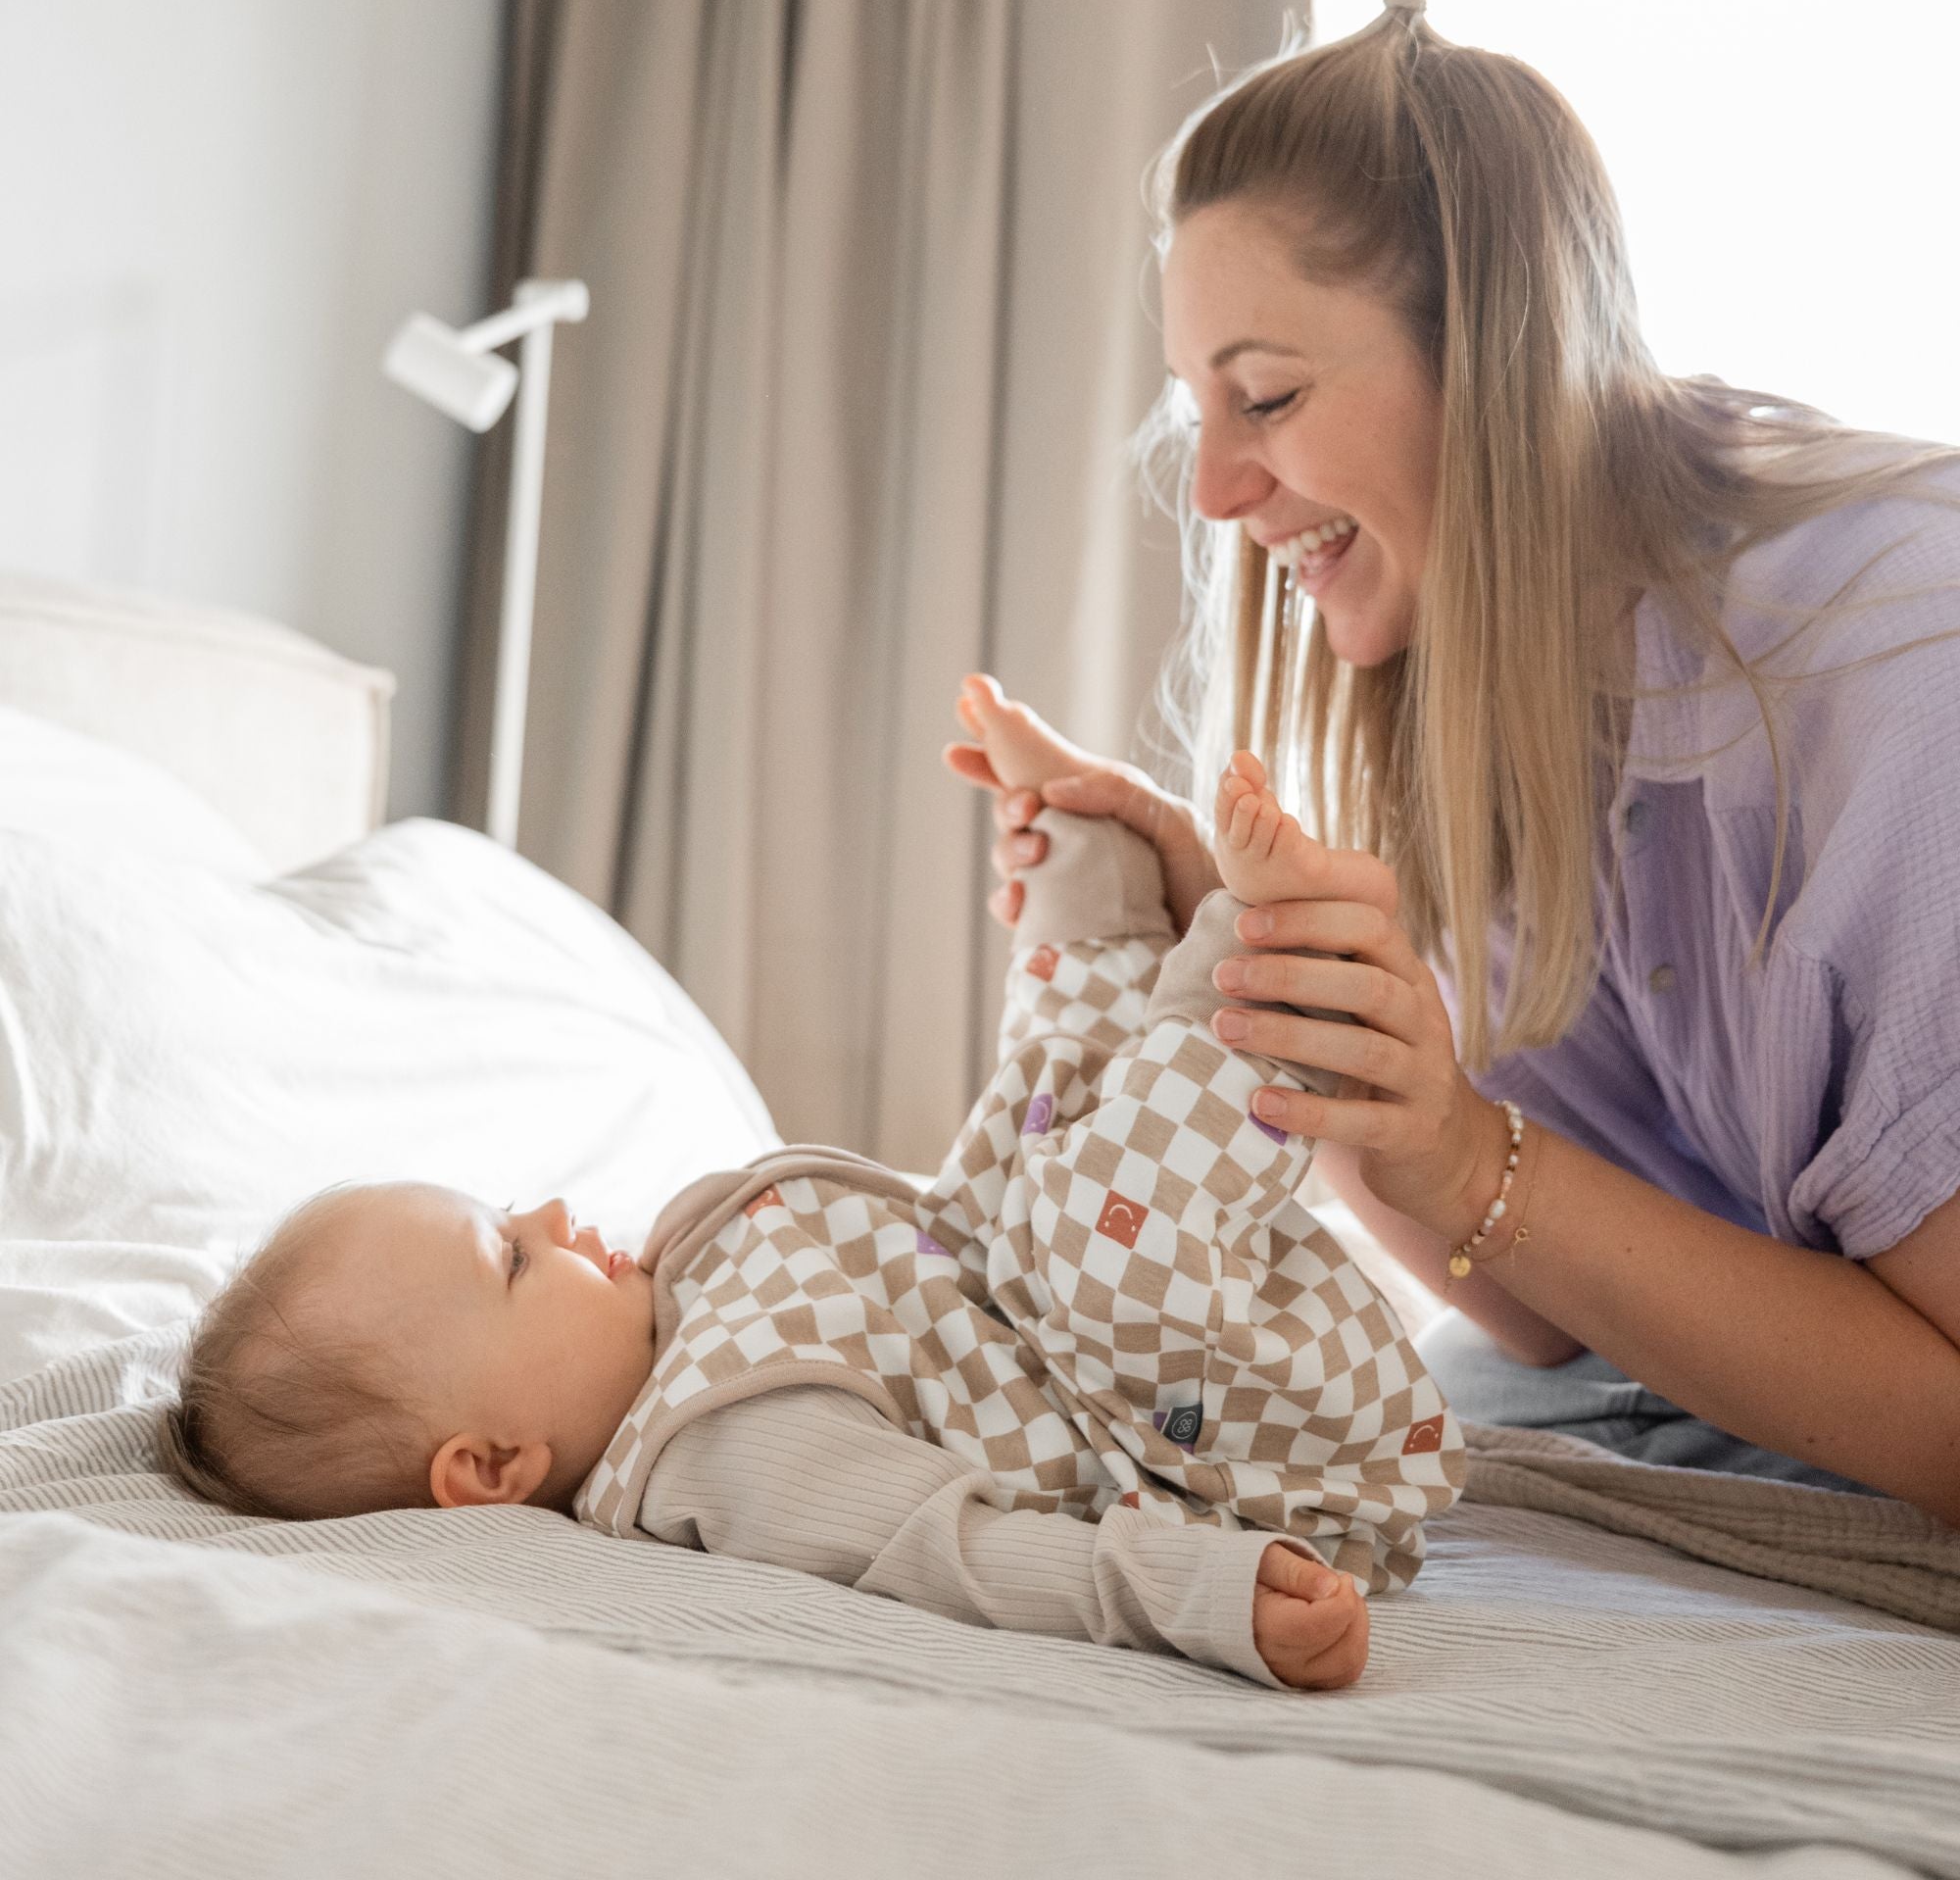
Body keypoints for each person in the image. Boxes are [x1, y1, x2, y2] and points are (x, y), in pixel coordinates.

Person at [953, 0, 1960, 1515]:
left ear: (1497, 356)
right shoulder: (1491, 698)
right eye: (1195, 413)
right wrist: (1251, 961)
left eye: (1266, 398)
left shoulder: (1899, 678)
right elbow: (1540, 1313)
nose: (1214, 491)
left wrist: (1483, 1163)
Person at [156, 678, 1468, 1693]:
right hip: (1228, 1458)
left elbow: (951, 1237)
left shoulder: (689, 1282)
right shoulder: (726, 1453)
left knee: (1021, 1153)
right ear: (491, 1465)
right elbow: (972, 1557)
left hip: (1096, 1332)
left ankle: (1093, 879)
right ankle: (1269, 961)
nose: (552, 1216)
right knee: (1081, 1231)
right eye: (509, 1256)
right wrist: (1206, 1595)